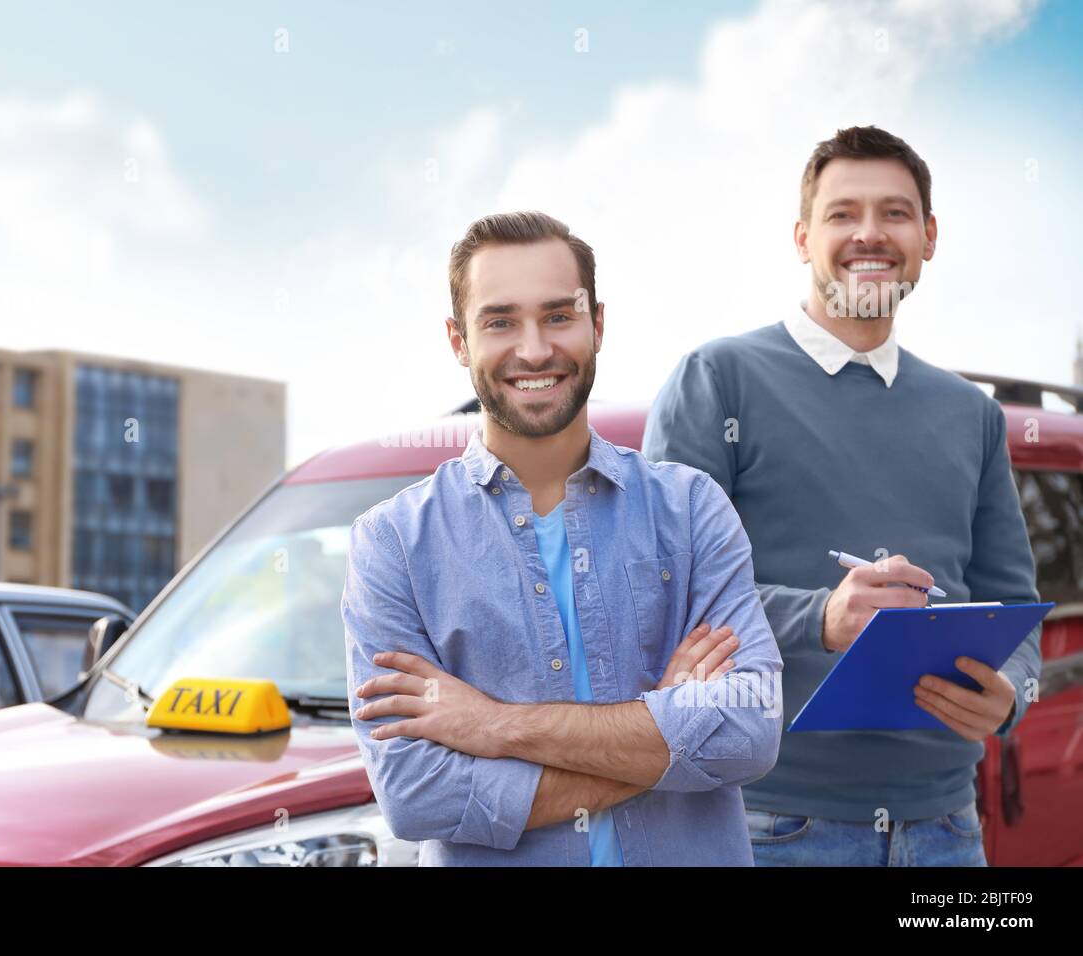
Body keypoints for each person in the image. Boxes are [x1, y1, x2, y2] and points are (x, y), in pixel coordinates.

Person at [643, 126, 1041, 866]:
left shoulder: (972, 414)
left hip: (949, 830)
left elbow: (1013, 603)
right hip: (768, 826)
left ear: (928, 236)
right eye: (841, 214)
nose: (869, 234)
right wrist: (819, 617)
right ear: (802, 238)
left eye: (894, 213)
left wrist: (1012, 694)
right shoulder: (717, 379)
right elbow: (660, 591)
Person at [342, 210, 782, 865]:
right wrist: (665, 726)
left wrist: (495, 726)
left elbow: (748, 730)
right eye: (499, 321)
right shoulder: (393, 544)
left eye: (558, 315)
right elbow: (416, 794)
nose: (535, 349)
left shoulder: (692, 510)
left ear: (597, 324)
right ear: (458, 341)